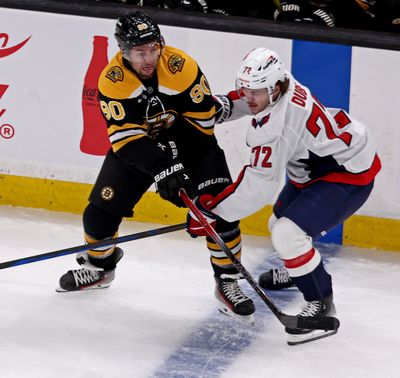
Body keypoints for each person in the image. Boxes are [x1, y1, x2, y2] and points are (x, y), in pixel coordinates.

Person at [57, 11, 256, 325]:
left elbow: (203, 122)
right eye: (140, 52)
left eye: (153, 48)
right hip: (141, 149)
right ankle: (99, 268)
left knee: (220, 209)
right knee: (98, 214)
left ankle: (227, 281)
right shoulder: (112, 80)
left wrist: (178, 164)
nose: (148, 57)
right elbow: (125, 139)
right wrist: (164, 167)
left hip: (192, 142)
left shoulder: (181, 66)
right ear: (124, 51)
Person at [186, 47, 381, 344]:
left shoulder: (277, 129)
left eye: (257, 92)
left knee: (288, 235)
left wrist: (213, 210)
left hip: (348, 174)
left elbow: (258, 187)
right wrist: (221, 108)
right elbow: (249, 98)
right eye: (245, 89)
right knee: (278, 223)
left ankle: (321, 304)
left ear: (275, 89)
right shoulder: (280, 83)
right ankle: (298, 271)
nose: (249, 97)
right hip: (322, 165)